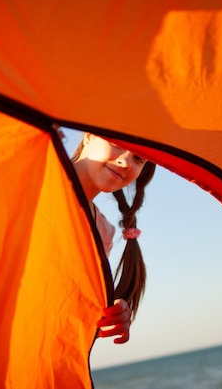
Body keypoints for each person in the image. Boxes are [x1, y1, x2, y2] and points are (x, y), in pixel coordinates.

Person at [71, 132, 156, 344]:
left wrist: (102, 313)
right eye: (117, 144)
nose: (125, 161)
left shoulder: (103, 231)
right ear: (89, 136)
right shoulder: (36, 176)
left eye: (138, 158)